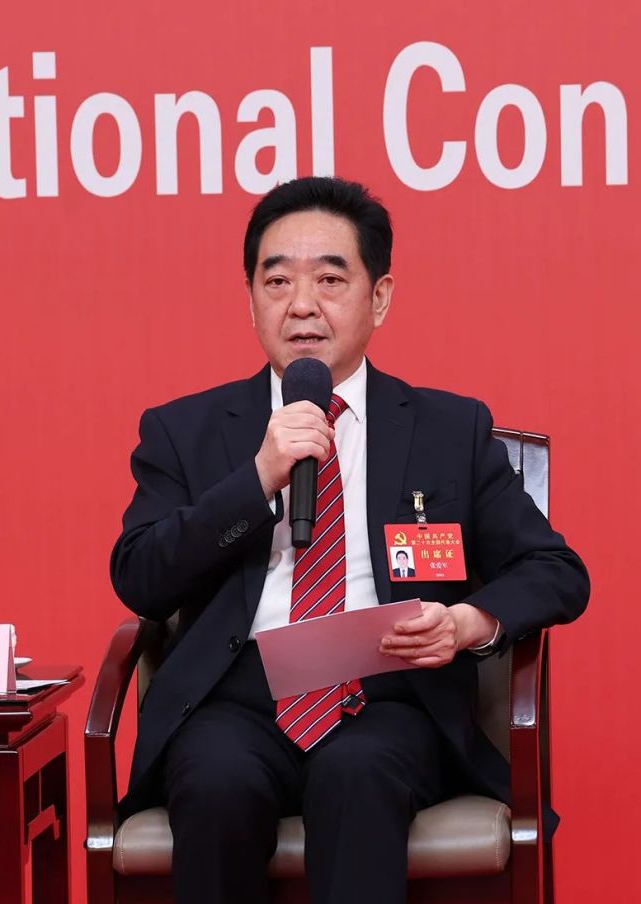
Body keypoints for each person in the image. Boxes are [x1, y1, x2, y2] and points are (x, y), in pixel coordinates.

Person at [110, 176, 589, 904]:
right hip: (233, 701)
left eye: (330, 279)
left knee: (357, 774)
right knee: (215, 782)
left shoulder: (448, 430)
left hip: (388, 698)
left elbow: (553, 569)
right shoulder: (185, 430)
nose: (301, 304)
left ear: (380, 297)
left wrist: (467, 623)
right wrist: (257, 479)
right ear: (250, 299)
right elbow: (140, 577)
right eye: (277, 281)